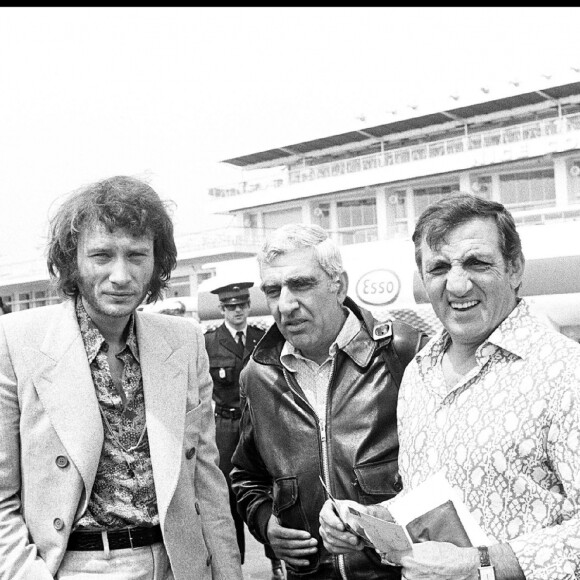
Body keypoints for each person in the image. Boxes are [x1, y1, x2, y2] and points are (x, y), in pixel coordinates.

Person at [319, 192, 580, 579]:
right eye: (439, 268)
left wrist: (481, 566)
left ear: (515, 268)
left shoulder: (564, 372)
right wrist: (371, 521)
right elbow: (427, 501)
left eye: (477, 263)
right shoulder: (418, 373)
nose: (457, 285)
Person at [0, 175, 243, 579]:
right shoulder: (16, 342)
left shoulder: (183, 342)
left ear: (156, 262)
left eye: (136, 255)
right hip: (72, 566)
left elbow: (206, 483)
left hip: (175, 564)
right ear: (72, 262)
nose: (120, 275)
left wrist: (228, 571)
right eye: (101, 256)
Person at [230, 223, 429, 579]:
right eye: (273, 290)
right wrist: (265, 523)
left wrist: (380, 525)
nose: (286, 305)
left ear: (339, 286)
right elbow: (246, 475)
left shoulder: (403, 352)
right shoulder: (257, 375)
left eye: (301, 284)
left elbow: (447, 474)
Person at [204, 281, 284, 580]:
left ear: (249, 307)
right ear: (223, 309)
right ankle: (233, 563)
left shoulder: (261, 338)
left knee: (274, 487)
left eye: (242, 305)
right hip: (225, 426)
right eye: (230, 307)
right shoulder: (210, 343)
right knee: (227, 493)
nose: (237, 311)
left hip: (261, 422)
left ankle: (277, 559)